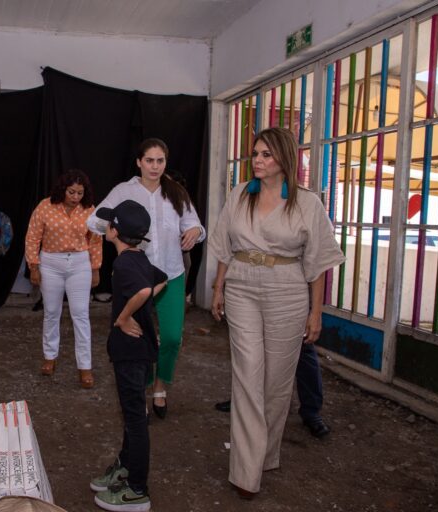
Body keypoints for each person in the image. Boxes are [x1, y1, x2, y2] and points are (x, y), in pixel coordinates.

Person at [208, 127, 345, 499]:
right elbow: (223, 246)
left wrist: (316, 313)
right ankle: (246, 473)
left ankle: (265, 455)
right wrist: (218, 288)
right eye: (255, 153)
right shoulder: (239, 195)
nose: (257, 160)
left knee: (278, 381)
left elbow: (317, 265)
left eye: (266, 154)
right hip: (241, 286)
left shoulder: (307, 203)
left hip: (288, 288)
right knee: (248, 374)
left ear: (284, 158)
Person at [88, 138, 205, 418]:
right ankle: (140, 390)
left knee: (173, 337)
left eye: (160, 160)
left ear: (166, 162)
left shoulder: (176, 192)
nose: (155, 166)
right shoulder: (123, 191)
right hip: (137, 275)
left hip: (172, 273)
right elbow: (93, 221)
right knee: (137, 339)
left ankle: (160, 385)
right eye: (149, 160)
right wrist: (115, 228)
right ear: (139, 162)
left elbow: (196, 225)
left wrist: (195, 232)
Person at [90, 200, 166, 512]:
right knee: (131, 412)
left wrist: (124, 317)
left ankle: (137, 490)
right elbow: (159, 280)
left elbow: (145, 291)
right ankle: (125, 464)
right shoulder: (138, 257)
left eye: (109, 223)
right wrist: (140, 308)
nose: (106, 227)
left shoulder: (122, 264)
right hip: (140, 350)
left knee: (135, 418)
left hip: (130, 350)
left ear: (116, 231)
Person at [25, 170, 102, 389]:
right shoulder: (45, 206)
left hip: (80, 263)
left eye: (80, 192)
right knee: (51, 312)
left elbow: (96, 241)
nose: (76, 196)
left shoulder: (89, 210)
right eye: (71, 192)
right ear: (62, 189)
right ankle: (50, 357)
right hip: (50, 263)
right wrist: (34, 266)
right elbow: (33, 237)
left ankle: (85, 367)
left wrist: (95, 268)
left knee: (81, 314)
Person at [214, 343, 332, 438]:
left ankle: (311, 411)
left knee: (303, 350)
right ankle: (244, 400)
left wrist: (315, 315)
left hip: (293, 314)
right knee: (250, 350)